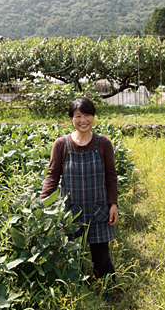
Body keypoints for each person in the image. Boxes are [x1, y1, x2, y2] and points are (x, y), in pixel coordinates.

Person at [40, 98, 119, 283]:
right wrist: (42, 203)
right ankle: (76, 288)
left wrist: (113, 204)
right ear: (71, 119)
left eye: (87, 115)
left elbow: (111, 176)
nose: (83, 120)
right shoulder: (61, 144)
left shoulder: (103, 143)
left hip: (98, 210)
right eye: (78, 116)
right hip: (70, 210)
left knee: (101, 257)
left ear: (93, 117)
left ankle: (108, 289)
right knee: (70, 255)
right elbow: (52, 175)